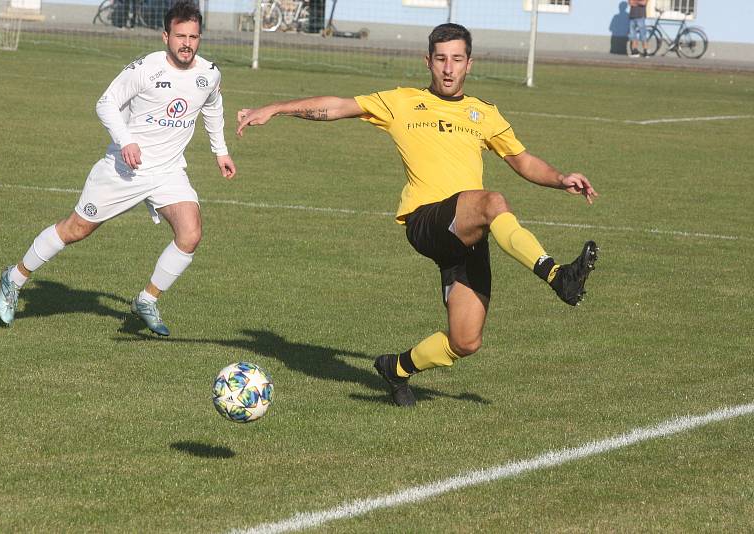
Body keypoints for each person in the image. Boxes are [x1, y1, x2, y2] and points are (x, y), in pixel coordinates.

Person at [236, 23, 598, 407]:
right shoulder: (403, 101)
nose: (448, 68)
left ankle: (396, 368)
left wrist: (561, 178)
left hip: (466, 233)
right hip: (426, 220)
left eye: (456, 59)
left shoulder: (484, 113)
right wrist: (276, 108)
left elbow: (522, 160)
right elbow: (340, 106)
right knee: (493, 201)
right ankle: (558, 275)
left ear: (469, 64)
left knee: (465, 341)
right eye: (440, 59)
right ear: (428, 61)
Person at [0, 0, 236, 337]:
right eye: (180, 36)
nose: (186, 44)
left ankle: (146, 300)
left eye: (193, 37)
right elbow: (105, 103)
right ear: (165, 35)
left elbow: (213, 107)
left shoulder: (209, 74)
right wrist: (126, 141)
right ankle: (15, 277)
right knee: (76, 229)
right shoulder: (145, 69)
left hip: (167, 171)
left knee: (190, 233)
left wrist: (220, 151)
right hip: (124, 169)